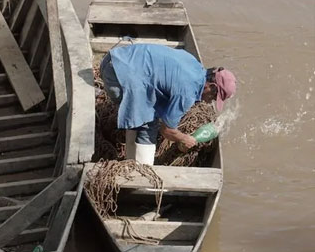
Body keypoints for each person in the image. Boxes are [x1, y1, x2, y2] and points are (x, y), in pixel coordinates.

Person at [100, 43, 236, 165]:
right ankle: (142, 173)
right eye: (213, 97)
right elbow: (167, 130)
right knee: (148, 124)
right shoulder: (187, 92)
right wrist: (184, 139)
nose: (209, 101)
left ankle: (130, 162)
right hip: (116, 74)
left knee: (145, 113)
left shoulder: (195, 65)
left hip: (118, 56)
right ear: (211, 86)